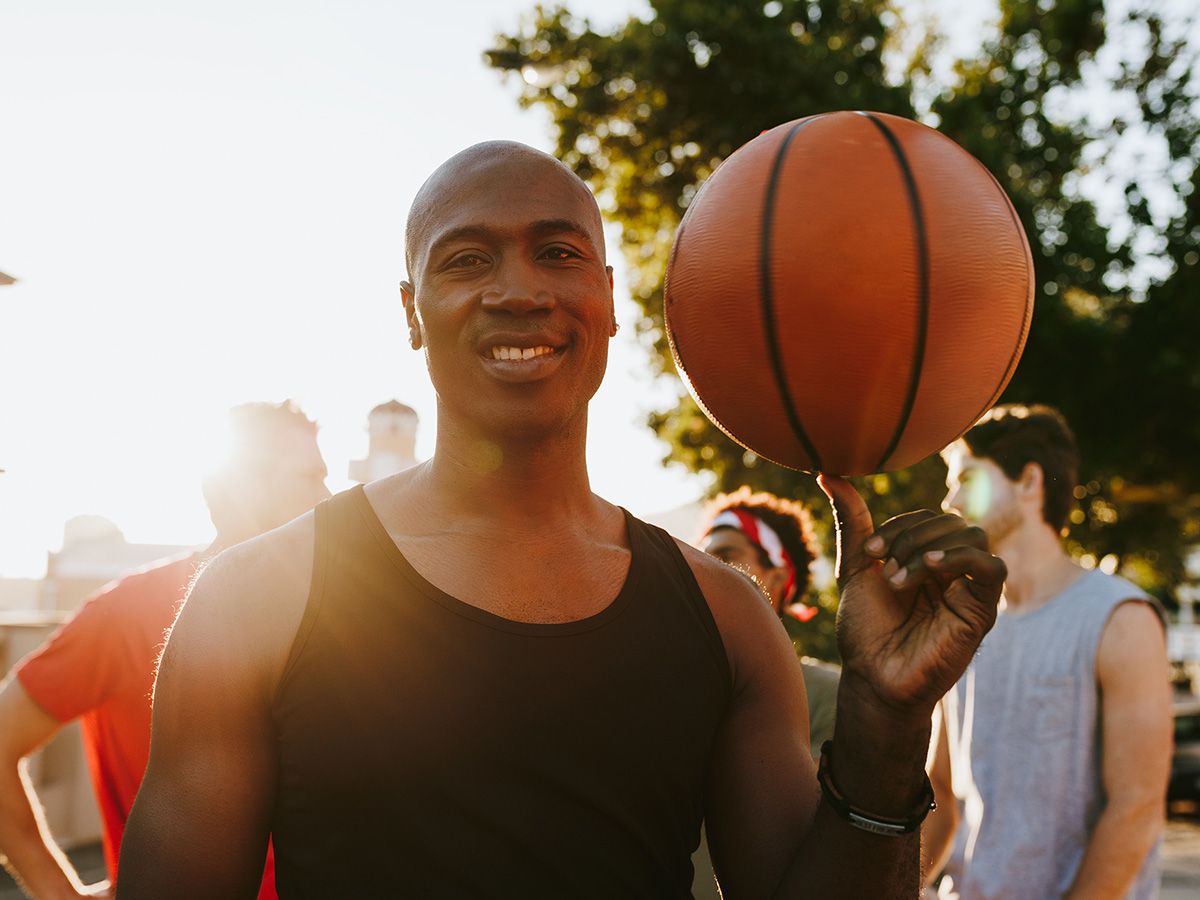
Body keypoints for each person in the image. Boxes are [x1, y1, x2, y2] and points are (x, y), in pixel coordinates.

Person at [118, 141, 1007, 899]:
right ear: (410, 312)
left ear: (611, 298)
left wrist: (885, 723)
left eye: (557, 253)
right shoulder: (256, 598)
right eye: (467, 259)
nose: (519, 291)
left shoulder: (726, 616)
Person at [0, 401, 329, 900]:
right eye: (309, 478)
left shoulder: (337, 617)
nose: (328, 498)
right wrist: (58, 895)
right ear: (244, 489)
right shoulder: (127, 613)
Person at [924, 404, 1170, 899]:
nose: (950, 499)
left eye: (968, 478)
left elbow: (1136, 808)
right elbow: (944, 793)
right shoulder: (961, 621)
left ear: (1029, 482)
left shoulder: (1119, 617)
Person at [699, 486, 839, 758]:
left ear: (776, 578)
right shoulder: (668, 689)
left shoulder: (832, 696)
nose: (705, 569)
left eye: (726, 556)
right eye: (701, 557)